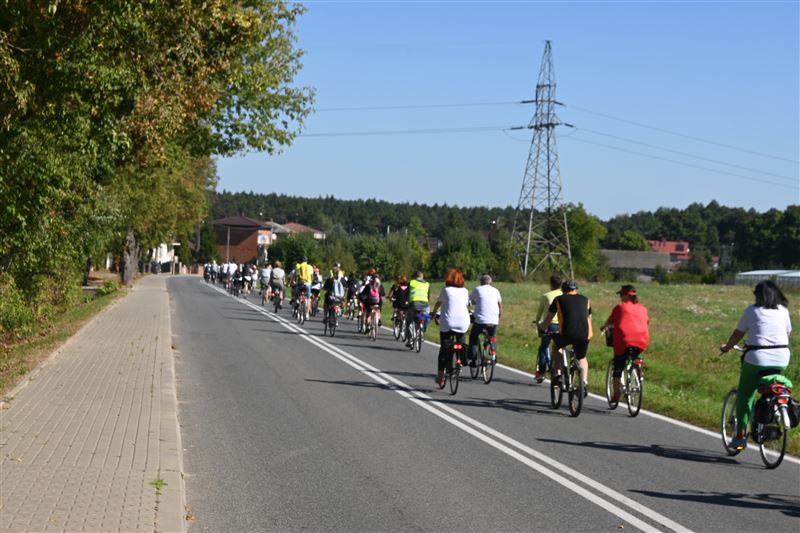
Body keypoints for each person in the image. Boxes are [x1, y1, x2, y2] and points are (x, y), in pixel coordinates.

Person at [719, 280, 792, 450]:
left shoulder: (752, 311)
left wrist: (727, 347)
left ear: (758, 295)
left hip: (757, 357)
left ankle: (740, 436)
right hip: (782, 357)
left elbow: (738, 334)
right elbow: (787, 333)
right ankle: (770, 412)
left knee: (746, 396)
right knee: (770, 385)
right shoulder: (783, 311)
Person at [539, 280, 593, 396]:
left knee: (557, 347)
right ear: (576, 289)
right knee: (582, 357)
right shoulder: (586, 299)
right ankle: (583, 383)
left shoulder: (559, 299)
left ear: (563, 290)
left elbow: (549, 318)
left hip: (566, 334)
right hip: (585, 335)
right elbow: (589, 317)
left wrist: (543, 328)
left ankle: (558, 374)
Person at [600, 285, 650, 404]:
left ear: (627, 296)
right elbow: (647, 322)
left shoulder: (620, 307)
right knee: (634, 357)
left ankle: (616, 393)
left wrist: (604, 327)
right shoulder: (643, 308)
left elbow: (610, 321)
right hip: (642, 340)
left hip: (624, 341)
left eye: (622, 295)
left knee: (618, 364)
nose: (620, 297)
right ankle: (637, 373)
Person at [432, 267, 470, 386]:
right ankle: (461, 359)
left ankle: (440, 377)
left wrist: (434, 313)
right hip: (463, 322)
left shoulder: (446, 290)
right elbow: (466, 306)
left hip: (448, 323)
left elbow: (438, 303)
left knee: (444, 348)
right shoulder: (465, 291)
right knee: (461, 341)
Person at [468, 274, 502, 366]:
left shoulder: (478, 289)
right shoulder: (496, 291)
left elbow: (469, 302)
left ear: (481, 282)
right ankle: (493, 354)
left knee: (473, 336)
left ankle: (473, 359)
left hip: (481, 320)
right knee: (492, 337)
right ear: (491, 283)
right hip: (494, 319)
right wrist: (498, 318)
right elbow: (500, 307)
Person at [534, 274, 562, 383]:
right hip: (561, 325)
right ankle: (559, 369)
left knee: (544, 347)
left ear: (551, 284)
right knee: (559, 347)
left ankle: (541, 373)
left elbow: (539, 314)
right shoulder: (563, 295)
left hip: (549, 324)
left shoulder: (545, 296)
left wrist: (538, 324)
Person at [406, 270, 431, 346]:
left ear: (415, 277)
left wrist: (406, 301)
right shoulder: (427, 284)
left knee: (409, 321)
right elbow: (428, 296)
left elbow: (407, 294)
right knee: (426, 317)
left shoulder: (411, 282)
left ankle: (410, 339)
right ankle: (422, 331)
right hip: (425, 304)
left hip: (414, 304)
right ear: (422, 277)